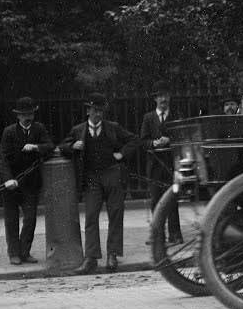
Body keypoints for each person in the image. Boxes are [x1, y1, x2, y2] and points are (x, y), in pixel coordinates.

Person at [60, 93, 139, 274]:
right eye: (95, 110)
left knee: (116, 214)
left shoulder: (113, 128)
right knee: (91, 216)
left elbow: (134, 140)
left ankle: (112, 254)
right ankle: (91, 258)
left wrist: (122, 154)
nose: (98, 114)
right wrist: (72, 147)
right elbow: (62, 146)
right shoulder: (78, 130)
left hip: (112, 174)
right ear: (88, 111)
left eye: (101, 111)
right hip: (91, 178)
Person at [0, 96, 55, 265]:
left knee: (30, 219)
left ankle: (24, 252)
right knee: (11, 220)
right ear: (18, 116)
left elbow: (50, 146)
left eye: (30, 113)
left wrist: (36, 147)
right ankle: (14, 253)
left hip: (30, 183)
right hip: (11, 185)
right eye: (23, 114)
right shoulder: (8, 132)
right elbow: (3, 159)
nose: (27, 117)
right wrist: (8, 180)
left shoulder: (39, 129)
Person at [140, 81, 178, 242]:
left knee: (172, 199)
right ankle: (157, 235)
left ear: (169, 97)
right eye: (160, 96)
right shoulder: (148, 118)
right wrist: (153, 143)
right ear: (155, 99)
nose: (163, 99)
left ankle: (175, 235)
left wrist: (169, 140)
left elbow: (183, 138)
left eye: (166, 95)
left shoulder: (176, 115)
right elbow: (142, 141)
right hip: (155, 165)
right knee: (156, 199)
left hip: (171, 164)